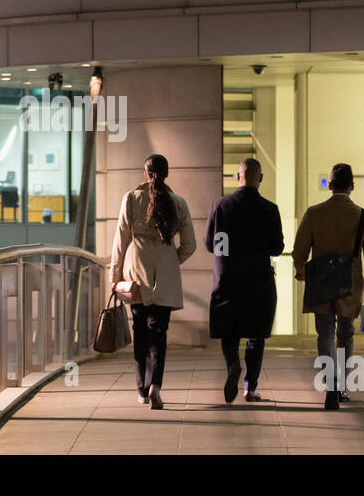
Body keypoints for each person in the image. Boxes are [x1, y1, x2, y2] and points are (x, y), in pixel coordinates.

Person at [290, 163, 364, 410]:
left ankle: (330, 383)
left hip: (321, 284)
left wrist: (302, 273)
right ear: (352, 187)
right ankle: (341, 385)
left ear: (329, 186)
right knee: (346, 334)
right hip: (350, 286)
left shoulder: (314, 213)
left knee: (324, 334)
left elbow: (299, 251)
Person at [109, 154, 196, 410]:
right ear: (167, 174)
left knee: (140, 334)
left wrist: (114, 279)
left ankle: (141, 390)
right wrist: (171, 262)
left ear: (145, 174)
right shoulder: (178, 203)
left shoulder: (131, 199)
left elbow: (119, 243)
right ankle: (156, 384)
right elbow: (189, 246)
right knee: (159, 334)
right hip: (165, 281)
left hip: (136, 278)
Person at [205, 158, 284, 403]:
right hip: (258, 281)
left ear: (237, 177)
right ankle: (250, 387)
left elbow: (212, 244)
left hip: (227, 278)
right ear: (260, 179)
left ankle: (232, 366)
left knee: (229, 332)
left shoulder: (220, 206)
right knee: (256, 334)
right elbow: (277, 248)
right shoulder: (269, 209)